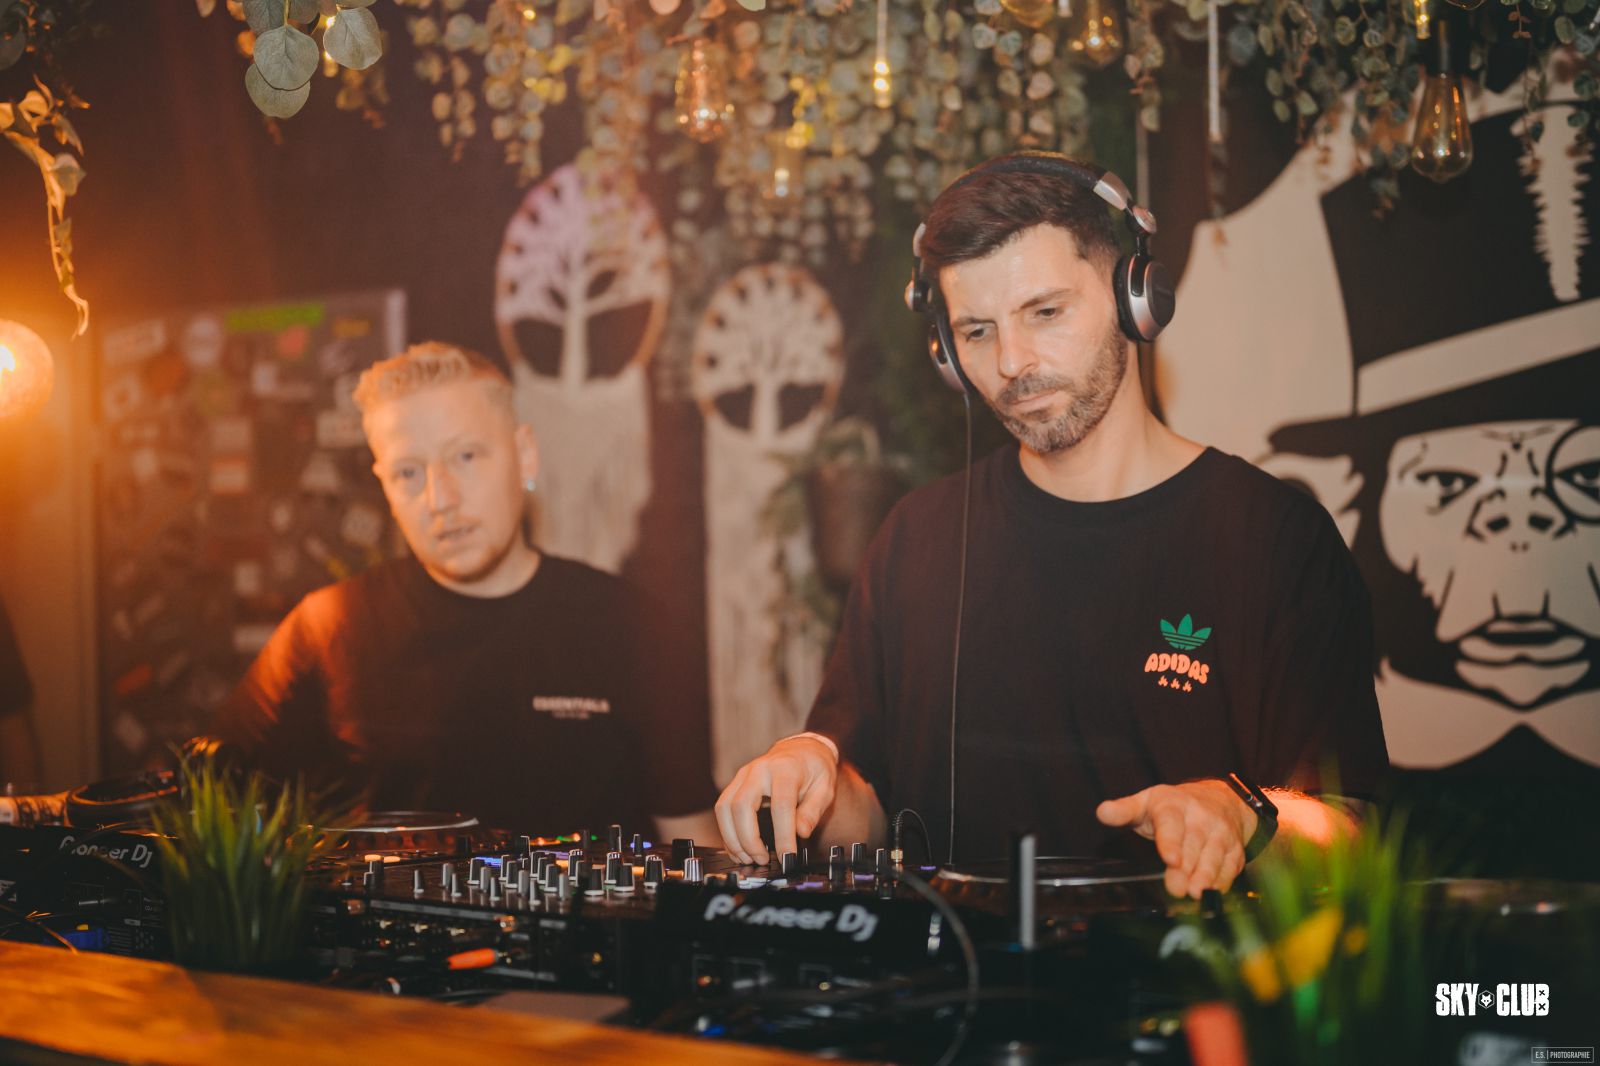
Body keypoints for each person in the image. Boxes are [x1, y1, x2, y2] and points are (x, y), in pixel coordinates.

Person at [715, 153, 1389, 898]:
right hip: (952, 970)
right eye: (977, 331)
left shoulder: (1273, 539)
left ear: (1135, 300)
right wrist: (805, 783)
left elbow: (1348, 833)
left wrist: (1242, 816)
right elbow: (866, 817)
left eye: (1045, 312)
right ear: (947, 354)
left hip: (1181, 973)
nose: (1012, 362)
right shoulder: (915, 539)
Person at [218, 342, 719, 843]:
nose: (440, 499)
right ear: (384, 486)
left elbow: (694, 843)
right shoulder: (328, 628)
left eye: (465, 456)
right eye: (408, 472)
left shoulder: (630, 627)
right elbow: (211, 810)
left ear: (525, 456)